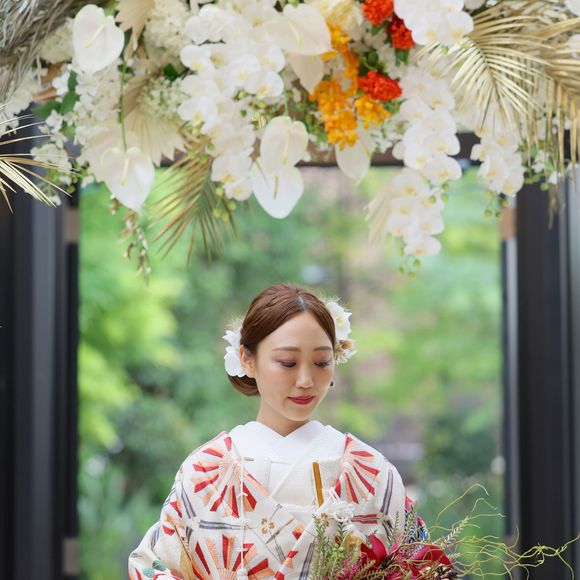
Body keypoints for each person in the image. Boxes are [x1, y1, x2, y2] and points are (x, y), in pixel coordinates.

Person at [128, 283, 428, 579]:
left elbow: (419, 564)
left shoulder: (371, 471)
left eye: (321, 362)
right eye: (288, 362)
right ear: (247, 359)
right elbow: (154, 566)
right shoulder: (205, 471)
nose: (306, 380)